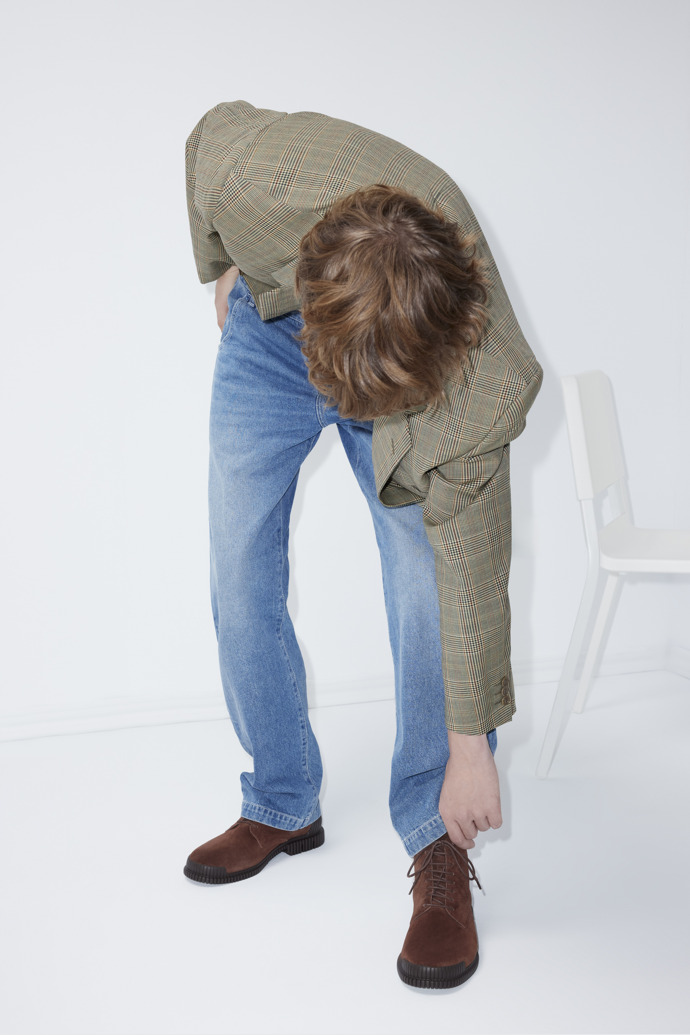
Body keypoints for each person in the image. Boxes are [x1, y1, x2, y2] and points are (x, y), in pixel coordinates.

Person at [183, 100, 542, 990]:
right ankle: (280, 800)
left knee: (421, 578)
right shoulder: (247, 171)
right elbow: (201, 147)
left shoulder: (476, 381)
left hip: (405, 337)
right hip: (276, 324)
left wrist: (471, 750)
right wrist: (221, 266)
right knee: (236, 569)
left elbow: (469, 579)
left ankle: (436, 836)